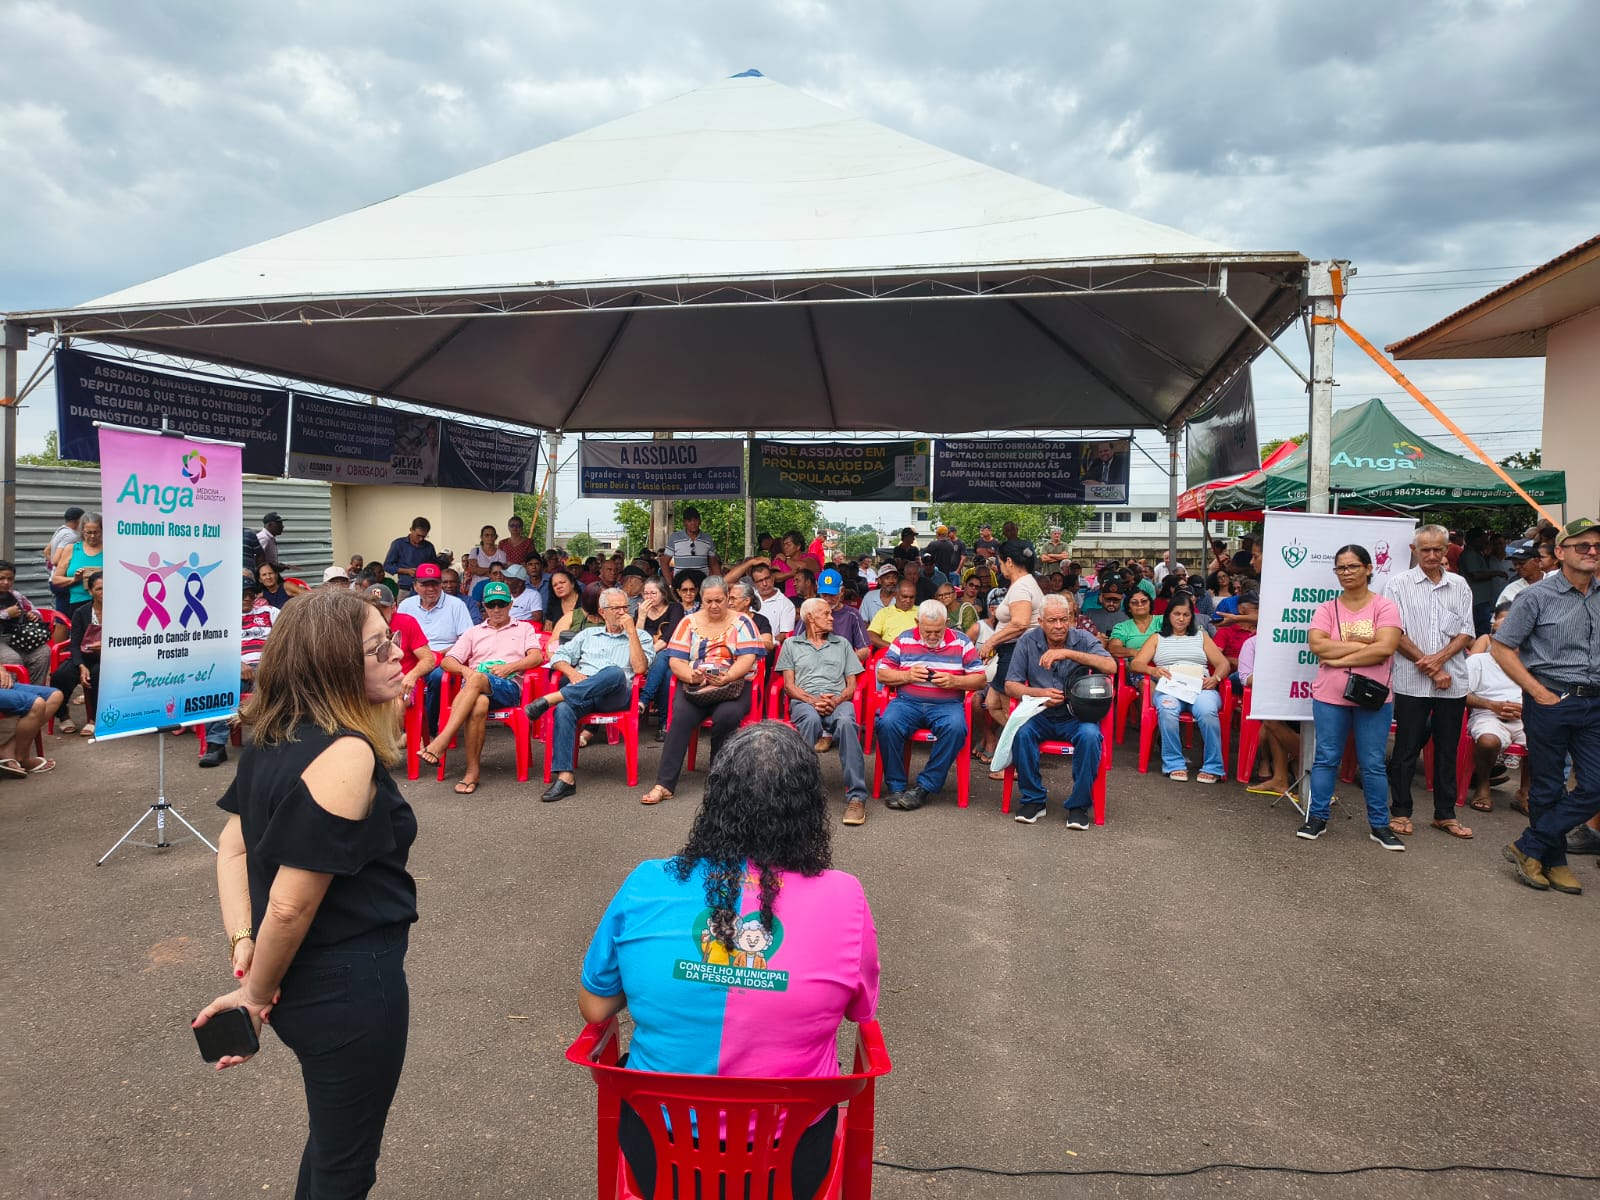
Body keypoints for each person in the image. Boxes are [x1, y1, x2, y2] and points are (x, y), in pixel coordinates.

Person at [580, 721, 878, 1200]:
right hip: (789, 1161)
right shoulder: (846, 897)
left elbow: (595, 1009)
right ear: (809, 807)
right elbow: (859, 1011)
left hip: (661, 1156)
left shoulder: (648, 881)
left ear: (714, 800)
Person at [191, 589, 415, 1197]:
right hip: (346, 987)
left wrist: (245, 944)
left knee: (332, 1145)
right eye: (379, 648)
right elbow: (291, 902)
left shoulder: (272, 732)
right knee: (345, 1163)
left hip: (302, 983)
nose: (399, 653)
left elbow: (232, 847)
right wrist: (254, 994)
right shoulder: (345, 752)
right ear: (334, 665)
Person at [1491, 516, 1600, 895]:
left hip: (1595, 703)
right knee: (1548, 786)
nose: (1591, 552)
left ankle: (1530, 845)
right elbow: (1501, 647)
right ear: (1559, 552)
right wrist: (1536, 692)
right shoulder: (1536, 597)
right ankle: (1554, 861)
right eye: (1582, 545)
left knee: (1594, 786)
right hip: (1551, 699)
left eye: (1597, 547)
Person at [1299, 544, 1406, 848]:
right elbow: (1318, 646)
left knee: (1372, 762)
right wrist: (1364, 645)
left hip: (1373, 697)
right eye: (1341, 568)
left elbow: (1386, 648)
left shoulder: (1385, 607)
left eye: (1353, 566)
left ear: (1369, 568)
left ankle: (1380, 825)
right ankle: (1317, 817)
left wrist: (1338, 656)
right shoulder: (1326, 608)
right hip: (1330, 695)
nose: (1346, 573)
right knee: (1326, 757)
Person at [1382, 524, 1476, 840]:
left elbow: (1466, 631)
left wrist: (1440, 660)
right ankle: (1400, 812)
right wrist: (1435, 669)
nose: (1433, 555)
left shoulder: (1460, 585)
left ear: (1448, 549)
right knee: (1406, 748)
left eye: (1439, 549)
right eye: (1426, 550)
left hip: (1454, 681)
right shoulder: (1398, 584)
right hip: (1412, 681)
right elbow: (1395, 634)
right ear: (1414, 550)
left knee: (1448, 749)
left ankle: (1445, 814)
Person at [641, 577, 764, 806]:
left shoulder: (742, 622)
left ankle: (719, 778)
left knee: (726, 716)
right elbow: (676, 660)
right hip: (695, 685)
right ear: (701, 599)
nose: (714, 605)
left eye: (719, 600)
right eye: (709, 601)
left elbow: (748, 658)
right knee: (680, 718)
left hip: (734, 684)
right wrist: (690, 676)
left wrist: (727, 676)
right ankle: (664, 784)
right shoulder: (688, 622)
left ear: (728, 598)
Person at [525, 587, 654, 802]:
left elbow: (640, 669)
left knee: (613, 672)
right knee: (565, 709)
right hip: (584, 692)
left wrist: (631, 632)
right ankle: (565, 778)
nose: (623, 612)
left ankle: (553, 698)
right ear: (603, 612)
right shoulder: (588, 635)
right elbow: (557, 657)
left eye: (626, 607)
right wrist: (573, 673)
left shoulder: (641, 637)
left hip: (616, 697)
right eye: (617, 608)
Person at [416, 581, 545, 794]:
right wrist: (467, 672)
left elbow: (536, 656)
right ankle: (472, 771)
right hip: (476, 689)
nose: (496, 609)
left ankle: (442, 740)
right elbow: (448, 661)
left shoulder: (523, 628)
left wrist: (509, 667)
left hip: (508, 687)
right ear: (483, 605)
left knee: (477, 680)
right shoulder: (474, 632)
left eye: (501, 604)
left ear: (510, 604)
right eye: (491, 604)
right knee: (479, 704)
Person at [1004, 594, 1115, 826]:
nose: (1059, 626)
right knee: (1021, 733)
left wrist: (1067, 653)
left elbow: (1110, 666)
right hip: (1039, 712)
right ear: (1041, 621)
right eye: (1052, 620)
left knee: (1090, 736)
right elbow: (1010, 685)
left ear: (1071, 620)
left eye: (1063, 620)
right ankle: (1033, 799)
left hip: (1077, 714)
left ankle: (1079, 805)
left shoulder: (1082, 638)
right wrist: (1040, 694)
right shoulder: (1028, 641)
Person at [873, 601, 986, 811]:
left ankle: (924, 787)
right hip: (907, 703)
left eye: (938, 631)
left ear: (947, 623)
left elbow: (980, 679)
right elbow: (882, 673)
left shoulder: (961, 642)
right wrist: (906, 675)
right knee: (886, 723)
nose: (933, 636)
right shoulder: (904, 638)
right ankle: (896, 787)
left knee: (956, 729)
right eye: (927, 631)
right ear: (917, 623)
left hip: (947, 705)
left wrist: (955, 682)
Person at [779, 598, 869, 824]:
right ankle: (798, 793)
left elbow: (852, 685)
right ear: (810, 618)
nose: (832, 618)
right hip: (805, 701)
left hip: (837, 700)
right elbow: (789, 686)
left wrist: (836, 700)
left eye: (831, 614)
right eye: (826, 614)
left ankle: (857, 797)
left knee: (848, 723)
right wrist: (812, 700)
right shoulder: (791, 645)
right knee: (809, 721)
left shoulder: (843, 644)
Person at [1129, 596, 1231, 783]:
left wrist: (1215, 678)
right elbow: (1136, 664)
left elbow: (1223, 663)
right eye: (1177, 614)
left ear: (1192, 617)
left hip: (1201, 687)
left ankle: (1213, 766)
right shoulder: (1157, 638)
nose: (1181, 619)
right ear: (1168, 616)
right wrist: (1152, 670)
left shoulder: (1202, 636)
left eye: (1186, 614)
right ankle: (1174, 763)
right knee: (1167, 710)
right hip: (1170, 688)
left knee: (1207, 711)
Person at [199, 579, 279, 767]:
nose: (247, 598)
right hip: (236, 668)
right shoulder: (222, 619)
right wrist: (236, 664)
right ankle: (216, 746)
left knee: (274, 682)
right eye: (242, 593)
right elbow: (215, 648)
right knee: (217, 686)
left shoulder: (270, 612)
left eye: (251, 594)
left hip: (268, 665)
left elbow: (287, 637)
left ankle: (270, 741)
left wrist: (269, 662)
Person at [1464, 603, 1528, 814]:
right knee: (1488, 740)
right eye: (1497, 635)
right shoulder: (1479, 661)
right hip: (1487, 714)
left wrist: (1524, 709)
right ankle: (1483, 786)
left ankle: (1525, 793)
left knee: (1546, 740)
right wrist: (1492, 705)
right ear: (1490, 639)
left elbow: (1544, 695)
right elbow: (1460, 695)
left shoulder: (1532, 663)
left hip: (1525, 718)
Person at [396, 562, 473, 735]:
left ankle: (429, 728)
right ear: (415, 586)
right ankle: (400, 728)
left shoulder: (456, 605)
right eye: (425, 584)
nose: (430, 588)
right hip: (413, 658)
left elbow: (467, 639)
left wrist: (443, 653)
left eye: (435, 583)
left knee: (438, 677)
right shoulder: (406, 606)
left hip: (443, 658)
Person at [362, 584, 436, 709]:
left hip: (401, 682)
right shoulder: (358, 627)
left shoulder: (407, 622)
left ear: (393, 608)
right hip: (370, 685)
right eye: (372, 608)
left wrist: (411, 676)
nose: (377, 612)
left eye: (382, 608)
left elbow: (429, 659)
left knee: (395, 706)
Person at [50, 571, 103, 738]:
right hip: (84, 656)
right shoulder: (82, 612)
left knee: (97, 673)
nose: (104, 593)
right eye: (100, 589)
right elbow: (74, 644)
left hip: (109, 658)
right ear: (90, 591)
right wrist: (81, 666)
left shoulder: (121, 611)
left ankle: (93, 719)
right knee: (61, 675)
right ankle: (63, 714)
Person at [634, 577, 684, 735]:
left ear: (663, 593)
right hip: (648, 660)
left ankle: (643, 700)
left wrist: (648, 656)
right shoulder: (639, 611)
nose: (649, 597)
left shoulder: (675, 608)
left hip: (671, 655)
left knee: (663, 657)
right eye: (646, 593)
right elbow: (636, 639)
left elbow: (670, 636)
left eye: (653, 593)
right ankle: (664, 724)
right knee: (667, 675)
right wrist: (641, 616)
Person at [0, 559, 52, 684]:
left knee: (43, 652)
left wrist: (32, 615)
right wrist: (6, 614)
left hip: (16, 638)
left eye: (10, 579)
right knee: (12, 658)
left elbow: (35, 611)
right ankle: (11, 697)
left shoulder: (16, 596)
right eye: (1, 578)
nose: (6, 582)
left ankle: (33, 692)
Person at [1457, 527, 1506, 636]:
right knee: (1482, 631)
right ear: (1476, 540)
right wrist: (1496, 573)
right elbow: (1475, 574)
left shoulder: (1477, 553)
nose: (1486, 542)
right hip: (1477, 600)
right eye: (1483, 539)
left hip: (1482, 600)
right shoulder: (1470, 554)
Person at [51, 510, 104, 612]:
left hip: (103, 603)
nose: (92, 536)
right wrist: (75, 579)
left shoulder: (109, 550)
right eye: (88, 533)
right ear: (82, 531)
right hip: (77, 603)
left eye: (96, 532)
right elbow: (56, 579)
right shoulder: (71, 549)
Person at [817, 568, 870, 660]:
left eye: (832, 595)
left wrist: (845, 662)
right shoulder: (811, 612)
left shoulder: (852, 615)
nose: (828, 600)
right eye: (824, 595)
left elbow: (865, 650)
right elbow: (796, 645)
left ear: (842, 591)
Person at [661, 507, 719, 590]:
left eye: (695, 520)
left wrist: (719, 584)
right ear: (684, 523)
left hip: (702, 584)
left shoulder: (707, 539)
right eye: (689, 521)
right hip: (680, 583)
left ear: (700, 521)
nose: (693, 523)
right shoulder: (675, 538)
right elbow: (664, 563)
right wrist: (670, 585)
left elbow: (714, 564)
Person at [1212, 592, 1258, 690]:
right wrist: (1236, 661)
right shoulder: (1226, 631)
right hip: (1235, 675)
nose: (1260, 612)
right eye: (1256, 609)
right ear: (1241, 609)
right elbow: (1214, 658)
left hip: (1260, 673)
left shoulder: (1265, 632)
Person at [44, 505, 84, 613]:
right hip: (65, 582)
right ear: (79, 520)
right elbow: (55, 560)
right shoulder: (71, 536)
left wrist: (54, 569)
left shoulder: (61, 530)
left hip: (55, 580)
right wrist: (63, 567)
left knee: (61, 617)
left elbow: (46, 551)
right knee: (68, 618)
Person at [384, 517, 437, 596]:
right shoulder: (398, 544)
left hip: (424, 589)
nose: (421, 539)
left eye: (424, 536)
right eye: (418, 535)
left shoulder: (429, 546)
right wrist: (407, 571)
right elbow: (387, 566)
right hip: (405, 589)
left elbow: (434, 567)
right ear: (411, 530)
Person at [867, 577, 919, 650]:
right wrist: (894, 648)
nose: (908, 600)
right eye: (904, 596)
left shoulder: (922, 612)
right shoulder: (884, 612)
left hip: (916, 654)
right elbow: (871, 635)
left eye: (912, 597)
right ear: (895, 595)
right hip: (889, 654)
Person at [1496, 540, 1543, 607]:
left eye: (1522, 563)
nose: (1517, 567)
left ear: (1536, 561)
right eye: (1515, 564)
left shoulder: (1553, 581)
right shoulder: (1511, 589)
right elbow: (1499, 614)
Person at [544, 568, 581, 635]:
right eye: (555, 585)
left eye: (562, 582)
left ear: (572, 584)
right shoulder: (553, 606)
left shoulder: (586, 601)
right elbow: (548, 632)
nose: (559, 587)